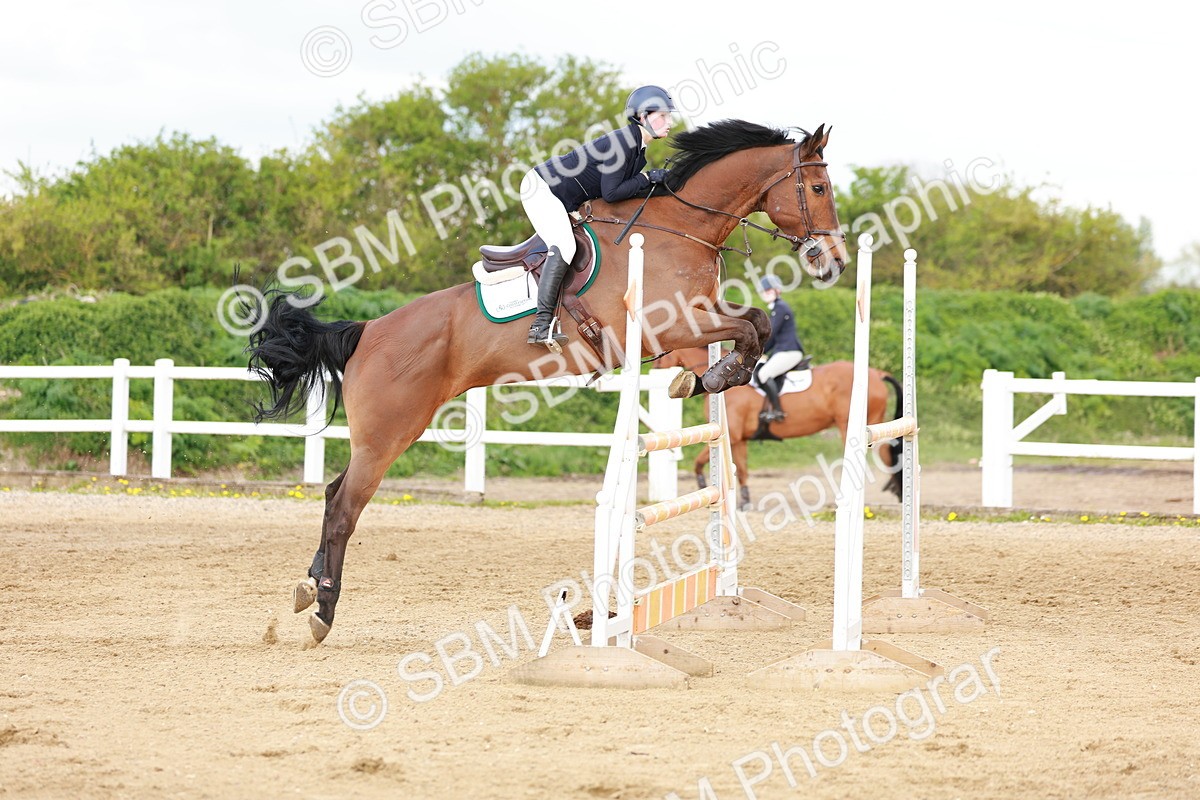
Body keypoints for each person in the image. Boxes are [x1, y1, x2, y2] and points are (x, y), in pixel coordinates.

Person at [520, 85, 676, 348]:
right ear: (643, 117)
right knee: (566, 246)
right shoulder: (622, 143)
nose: (670, 122)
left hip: (563, 196)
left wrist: (654, 183)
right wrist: (647, 178)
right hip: (542, 189)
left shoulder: (637, 151)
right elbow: (612, 194)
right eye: (663, 115)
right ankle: (540, 325)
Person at [755, 274, 805, 422]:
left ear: (777, 290)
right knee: (759, 371)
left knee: (764, 374)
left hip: (789, 351)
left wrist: (756, 349)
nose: (766, 293)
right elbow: (772, 340)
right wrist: (757, 353)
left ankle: (778, 411)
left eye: (769, 290)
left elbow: (770, 334)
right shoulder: (776, 308)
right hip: (782, 350)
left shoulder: (780, 308)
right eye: (765, 290)